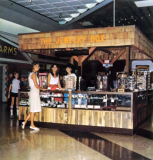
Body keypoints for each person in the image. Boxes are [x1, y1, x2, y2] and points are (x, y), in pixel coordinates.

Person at [21, 62, 47, 131]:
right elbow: (36, 85)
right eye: (36, 66)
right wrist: (43, 89)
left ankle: (25, 122)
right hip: (34, 92)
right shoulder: (34, 74)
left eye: (38, 66)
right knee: (33, 110)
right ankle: (32, 125)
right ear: (33, 67)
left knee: (33, 109)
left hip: (34, 92)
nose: (38, 67)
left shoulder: (32, 74)